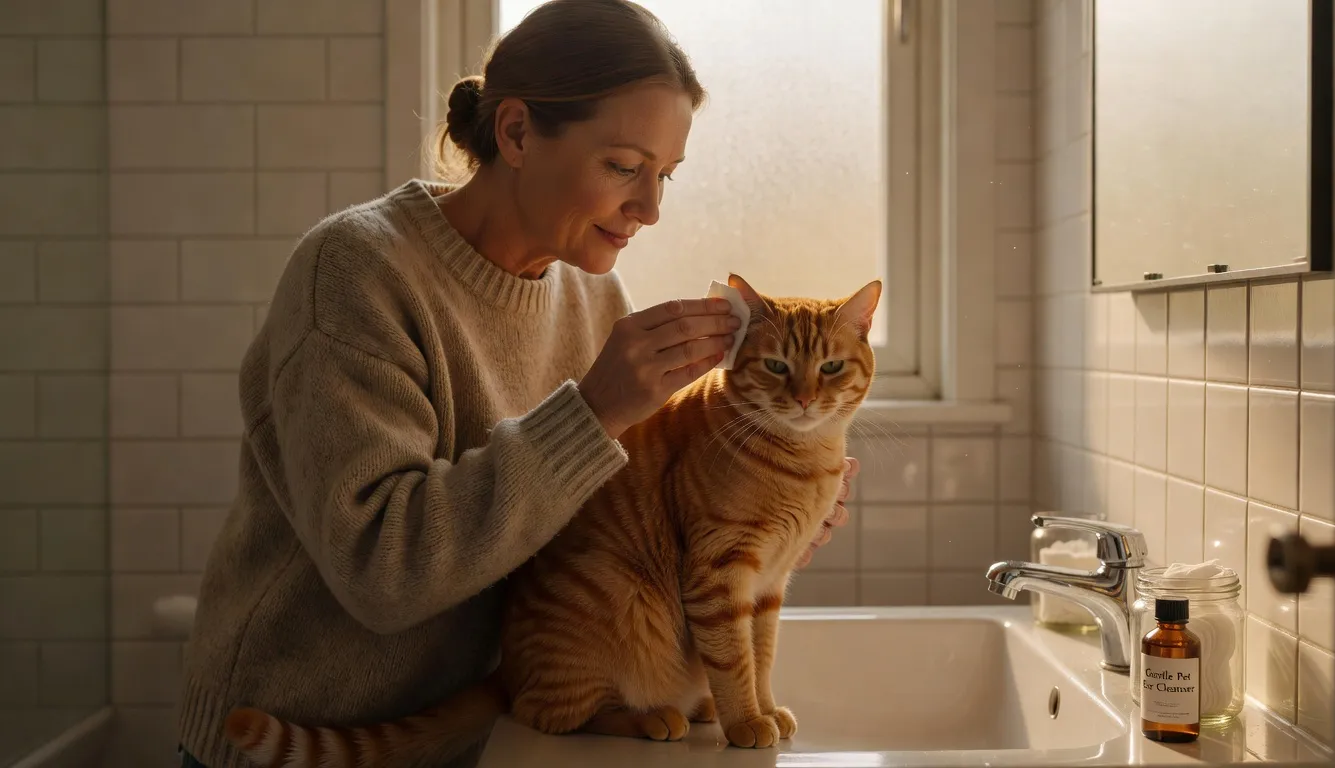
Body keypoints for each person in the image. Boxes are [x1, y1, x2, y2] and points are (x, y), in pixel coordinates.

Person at [175, 1, 856, 766]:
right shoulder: (356, 272)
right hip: (299, 737)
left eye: (665, 175)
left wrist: (763, 509)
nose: (652, 209)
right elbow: (383, 574)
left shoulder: (593, 295)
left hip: (484, 736)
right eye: (625, 167)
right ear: (518, 133)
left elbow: (594, 538)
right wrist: (594, 413)